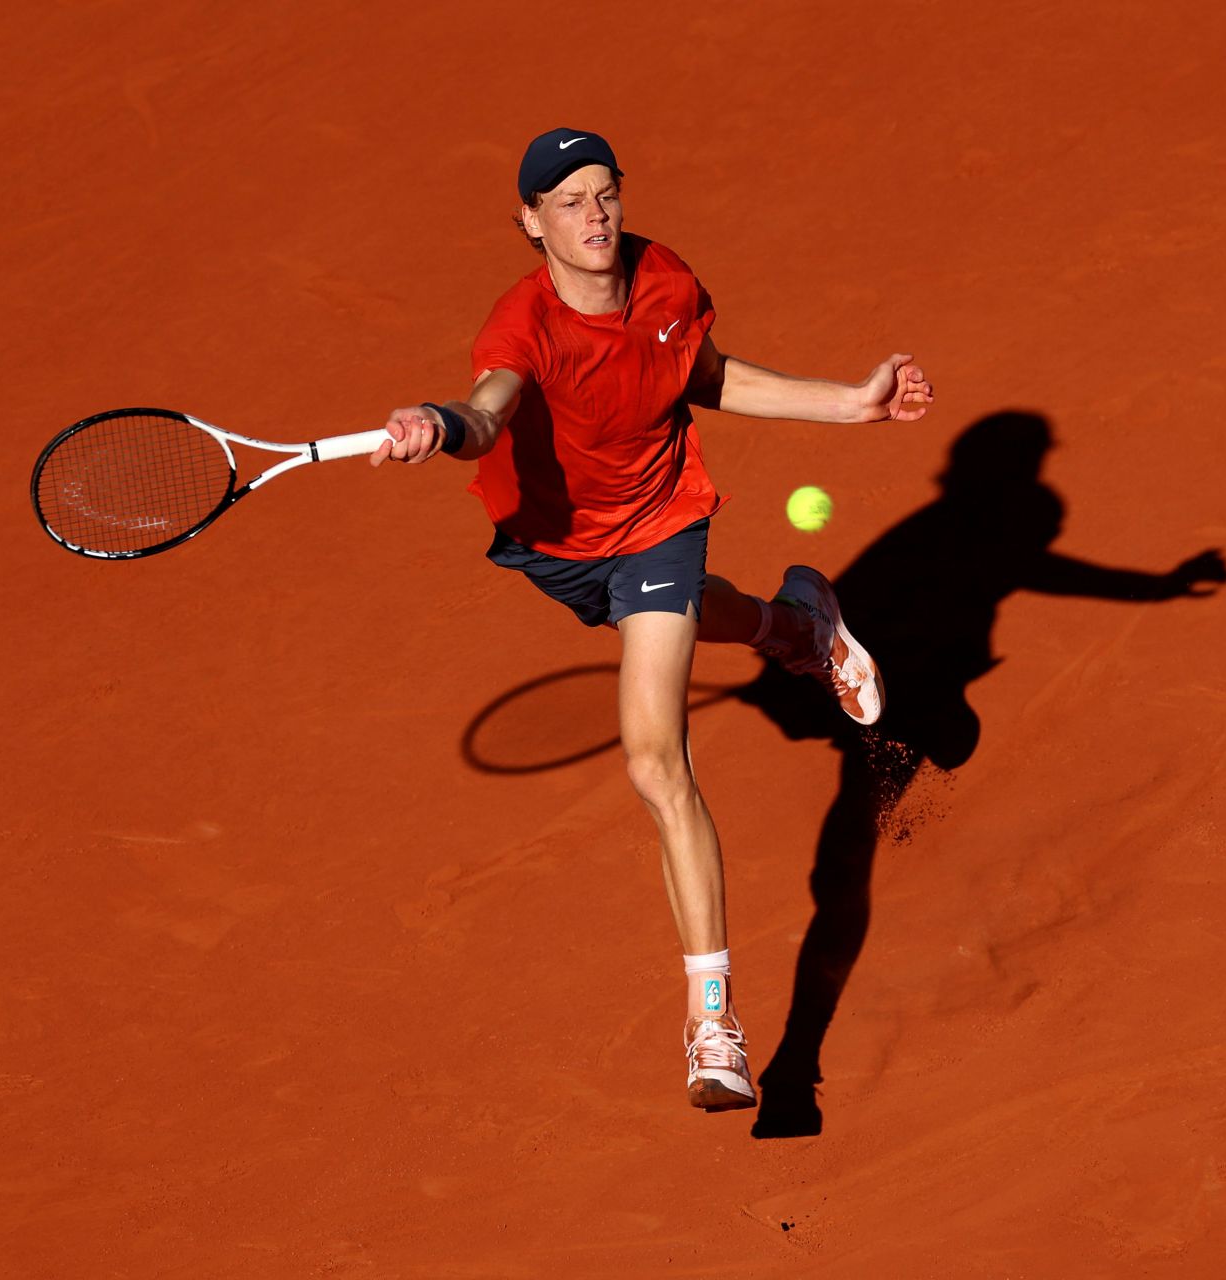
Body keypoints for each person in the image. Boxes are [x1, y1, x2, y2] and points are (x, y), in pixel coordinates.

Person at [370, 127, 934, 1112]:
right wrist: (438, 423)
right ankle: (798, 626)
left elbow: (706, 376)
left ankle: (714, 1021)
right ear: (530, 223)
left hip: (660, 522)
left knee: (651, 755)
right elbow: (488, 409)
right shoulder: (524, 324)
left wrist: (854, 406)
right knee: (667, 629)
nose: (596, 215)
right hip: (555, 543)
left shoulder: (665, 279)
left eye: (606, 193)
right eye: (570, 201)